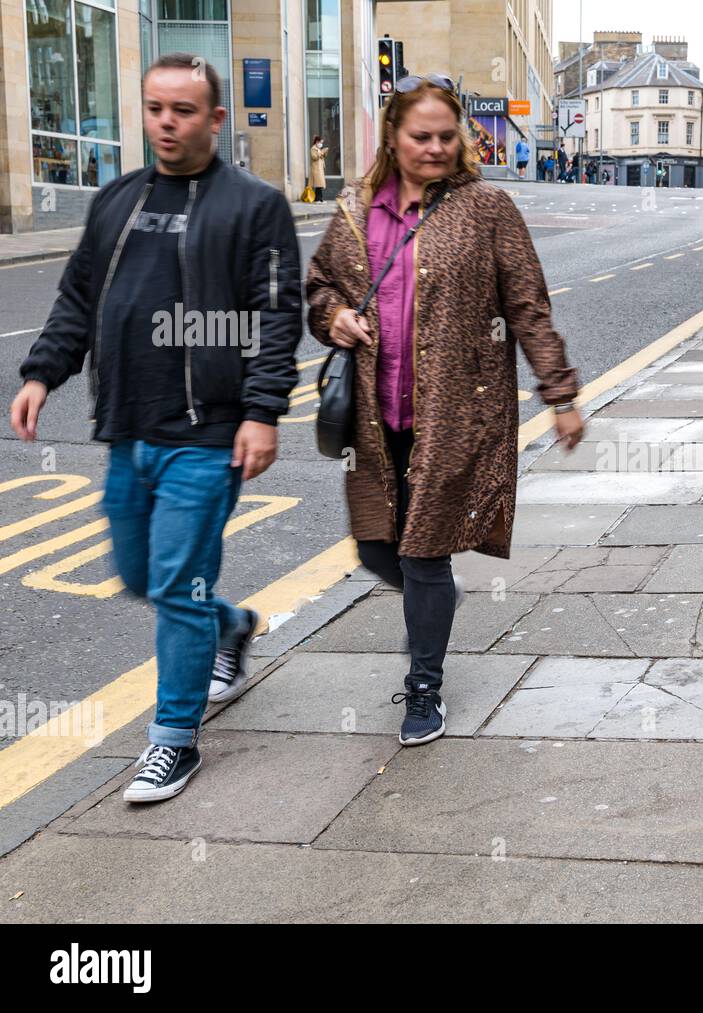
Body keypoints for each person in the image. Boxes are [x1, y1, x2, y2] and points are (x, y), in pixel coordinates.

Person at [10, 53, 302, 802]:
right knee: (144, 578)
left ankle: (173, 740)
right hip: (126, 430)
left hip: (208, 433)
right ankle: (231, 624)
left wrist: (263, 412)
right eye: (154, 108)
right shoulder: (117, 200)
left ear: (215, 118)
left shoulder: (254, 206)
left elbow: (276, 317)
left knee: (174, 582)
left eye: (182, 109)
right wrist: (43, 371)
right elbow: (78, 295)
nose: (166, 122)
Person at [306, 75, 583, 748]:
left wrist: (561, 393)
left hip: (457, 417)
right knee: (376, 547)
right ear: (392, 139)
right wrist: (336, 316)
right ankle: (437, 604)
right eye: (419, 136)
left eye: (445, 135)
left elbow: (528, 306)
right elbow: (317, 287)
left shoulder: (488, 208)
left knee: (423, 552)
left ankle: (424, 685)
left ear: (461, 138)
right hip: (373, 422)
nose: (433, 147)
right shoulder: (355, 211)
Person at [310, 135, 329, 201]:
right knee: (318, 185)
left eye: (322, 143)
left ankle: (318, 198)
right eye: (321, 142)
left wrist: (324, 152)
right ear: (317, 142)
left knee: (320, 185)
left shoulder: (319, 149)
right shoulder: (313, 148)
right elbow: (314, 157)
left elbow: (322, 157)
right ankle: (318, 199)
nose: (321, 144)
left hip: (320, 168)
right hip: (316, 169)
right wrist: (321, 153)